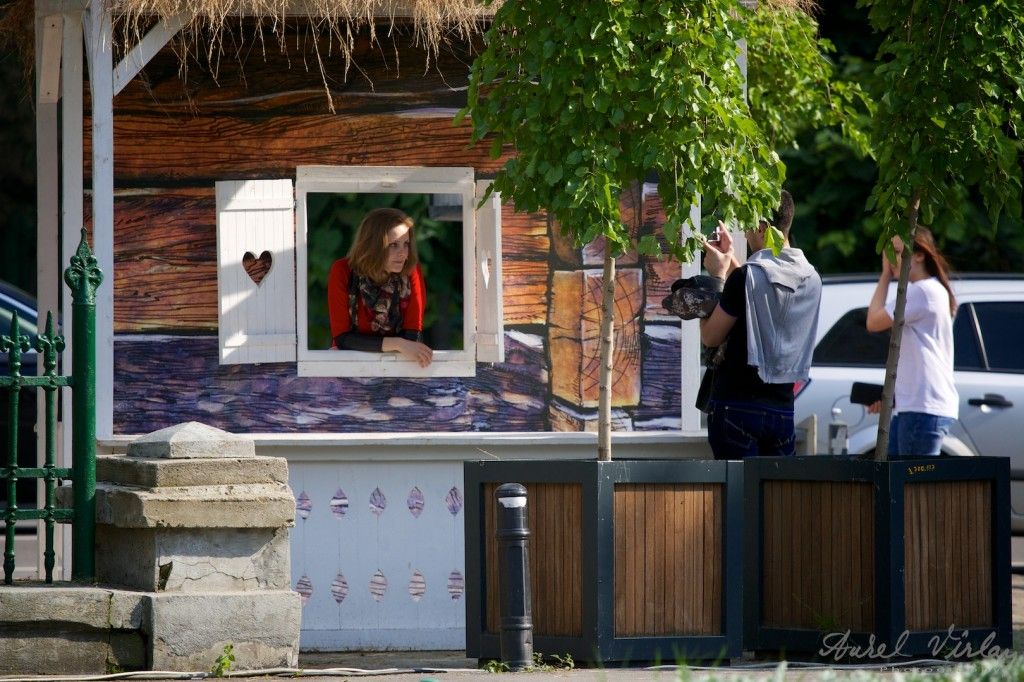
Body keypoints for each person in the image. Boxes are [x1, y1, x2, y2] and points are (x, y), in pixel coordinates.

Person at [699, 191, 822, 459]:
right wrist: (730, 259)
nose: (745, 233)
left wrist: (716, 277)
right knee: (776, 487)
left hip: (735, 406)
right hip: (782, 410)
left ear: (763, 227)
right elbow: (759, 287)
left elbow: (710, 336)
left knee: (737, 486)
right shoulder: (812, 278)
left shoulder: (743, 278)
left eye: (748, 225)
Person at [865, 227, 957, 456]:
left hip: (922, 408)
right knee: (900, 477)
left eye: (897, 252)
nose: (891, 259)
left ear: (919, 255)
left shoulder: (922, 291)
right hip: (915, 407)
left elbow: (873, 322)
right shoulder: (931, 290)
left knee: (911, 479)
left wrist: (885, 276)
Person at [327, 207, 433, 367]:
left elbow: (412, 335)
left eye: (406, 244)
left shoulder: (412, 269)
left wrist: (401, 346)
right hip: (350, 364)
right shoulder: (342, 270)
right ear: (372, 245)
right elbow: (343, 339)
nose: (403, 254)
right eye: (393, 245)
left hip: (399, 364)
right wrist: (398, 344)